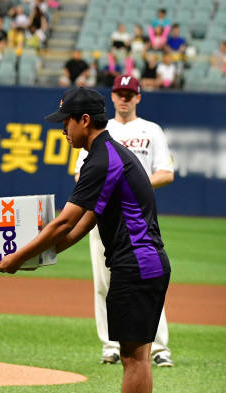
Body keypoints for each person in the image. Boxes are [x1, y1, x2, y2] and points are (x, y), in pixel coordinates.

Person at [0, 87, 171, 393]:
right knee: (136, 355)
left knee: (134, 357)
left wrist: (16, 257)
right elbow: (83, 224)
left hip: (137, 265)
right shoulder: (107, 156)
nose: (62, 131)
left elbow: (63, 220)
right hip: (143, 263)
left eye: (66, 123)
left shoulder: (100, 159)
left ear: (84, 121)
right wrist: (42, 257)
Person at [73, 75, 175, 367]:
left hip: (137, 215)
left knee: (148, 277)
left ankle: (157, 346)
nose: (124, 97)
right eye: (120, 92)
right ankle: (110, 345)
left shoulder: (151, 130)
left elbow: (166, 172)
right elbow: (81, 174)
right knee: (103, 282)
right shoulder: (101, 129)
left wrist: (131, 185)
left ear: (138, 97)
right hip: (102, 214)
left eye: (130, 93)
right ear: (113, 96)